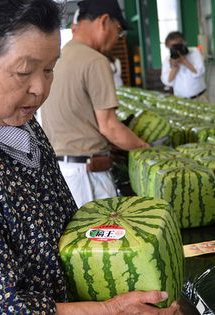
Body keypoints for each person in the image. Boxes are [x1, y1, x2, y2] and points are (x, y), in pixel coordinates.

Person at [0, 0, 179, 314]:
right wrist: (110, 310)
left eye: (49, 69)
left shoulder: (22, 125)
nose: (40, 89)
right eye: (24, 71)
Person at [41, 0, 149, 209]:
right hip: (88, 177)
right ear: (104, 21)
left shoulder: (60, 56)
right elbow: (109, 127)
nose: (118, 39)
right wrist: (146, 148)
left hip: (63, 172)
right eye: (118, 31)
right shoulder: (95, 61)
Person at [160, 31, 208, 101]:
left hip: (200, 97)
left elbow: (200, 72)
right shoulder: (167, 60)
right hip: (181, 100)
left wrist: (185, 62)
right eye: (172, 48)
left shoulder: (194, 52)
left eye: (177, 46)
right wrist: (174, 67)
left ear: (183, 43)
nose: (175, 50)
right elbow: (167, 81)